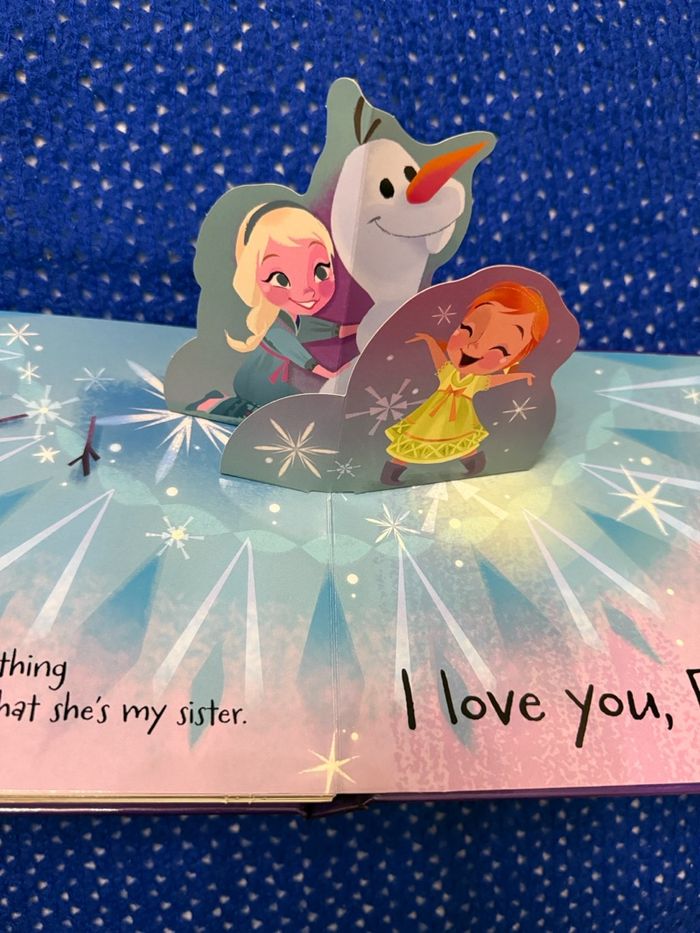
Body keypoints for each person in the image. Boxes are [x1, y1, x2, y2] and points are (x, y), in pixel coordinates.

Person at [189, 201, 356, 419]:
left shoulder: (300, 318)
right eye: (281, 279)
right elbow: (303, 358)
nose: (307, 291)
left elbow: (330, 330)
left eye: (321, 272)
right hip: (262, 381)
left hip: (284, 381)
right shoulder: (275, 327)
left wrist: (363, 328)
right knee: (269, 411)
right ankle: (213, 404)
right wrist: (333, 374)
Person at [381, 281, 550, 485]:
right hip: (432, 415)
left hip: (459, 419)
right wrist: (430, 341)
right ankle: (394, 469)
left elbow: (497, 380)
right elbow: (439, 360)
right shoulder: (449, 373)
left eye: (500, 349)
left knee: (462, 440)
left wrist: (521, 376)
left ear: (512, 360)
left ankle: (474, 462)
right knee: (414, 438)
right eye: (468, 329)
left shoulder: (476, 380)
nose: (475, 347)